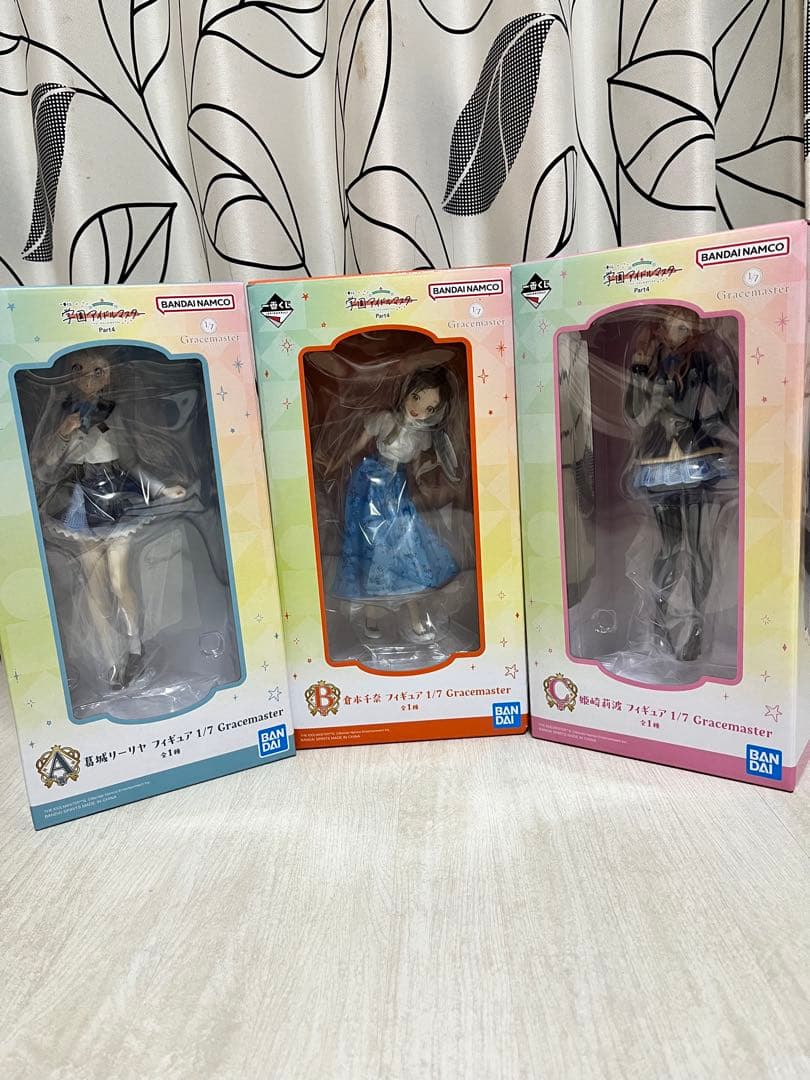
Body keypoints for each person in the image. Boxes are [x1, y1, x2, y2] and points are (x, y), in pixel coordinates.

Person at [34, 349, 186, 688]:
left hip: (118, 497)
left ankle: (135, 646)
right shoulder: (64, 413)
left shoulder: (114, 413)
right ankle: (110, 657)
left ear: (109, 374)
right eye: (79, 369)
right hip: (79, 501)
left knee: (119, 580)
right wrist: (64, 431)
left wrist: (161, 488)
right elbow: (47, 464)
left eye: (98, 370)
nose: (89, 377)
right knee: (95, 586)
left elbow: (131, 461)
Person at [623, 306, 737, 662]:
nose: (679, 331)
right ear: (662, 329)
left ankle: (697, 630)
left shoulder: (704, 362)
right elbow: (634, 412)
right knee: (669, 549)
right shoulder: (653, 364)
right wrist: (639, 368)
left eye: (685, 326)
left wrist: (691, 416)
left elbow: (724, 407)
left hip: (697, 456)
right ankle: (660, 626)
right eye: (673, 325)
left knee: (700, 548)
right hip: (659, 460)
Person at [329, 366, 461, 641]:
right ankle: (371, 616)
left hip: (396, 489)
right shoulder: (385, 420)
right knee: (372, 546)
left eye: (429, 407)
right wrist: (336, 462)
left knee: (405, 547)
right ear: (405, 392)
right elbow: (357, 445)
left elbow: (418, 469)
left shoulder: (422, 436)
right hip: (370, 484)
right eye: (416, 397)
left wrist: (427, 488)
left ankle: (415, 618)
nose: (418, 409)